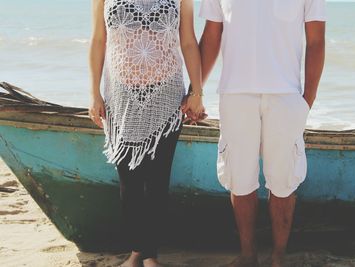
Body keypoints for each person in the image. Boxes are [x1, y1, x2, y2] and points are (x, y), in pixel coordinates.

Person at [199, 0, 326, 266]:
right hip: (235, 93)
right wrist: (195, 89)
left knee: (283, 181)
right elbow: (212, 34)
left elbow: (316, 40)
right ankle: (248, 255)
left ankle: (278, 256)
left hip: (286, 95)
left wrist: (307, 100)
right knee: (240, 179)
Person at [88, 0, 205, 266]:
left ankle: (150, 255)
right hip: (120, 95)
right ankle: (136, 251)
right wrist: (94, 93)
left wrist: (196, 92)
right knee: (128, 180)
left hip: (166, 95)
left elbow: (188, 41)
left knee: (157, 180)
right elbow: (98, 40)